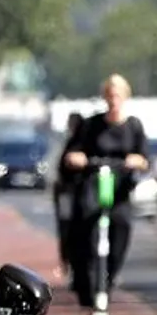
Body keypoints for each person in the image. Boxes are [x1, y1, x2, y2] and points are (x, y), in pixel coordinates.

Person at [62, 74, 149, 307]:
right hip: (93, 182)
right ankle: (87, 280)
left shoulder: (133, 126)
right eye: (110, 96)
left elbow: (144, 158)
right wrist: (77, 158)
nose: (113, 101)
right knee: (84, 225)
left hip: (119, 187)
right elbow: (71, 153)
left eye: (118, 96)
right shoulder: (91, 125)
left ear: (125, 97)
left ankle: (109, 277)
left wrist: (136, 161)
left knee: (122, 225)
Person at [53, 112, 85, 278]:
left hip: (73, 193)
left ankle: (69, 262)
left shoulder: (80, 143)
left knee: (68, 228)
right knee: (66, 228)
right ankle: (67, 262)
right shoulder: (70, 142)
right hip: (66, 193)